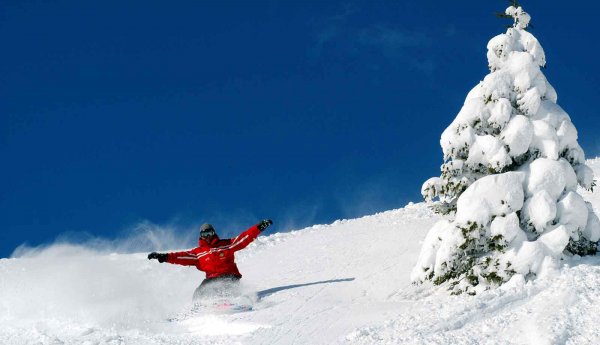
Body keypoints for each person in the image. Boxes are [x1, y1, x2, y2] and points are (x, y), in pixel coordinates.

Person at [148, 219, 272, 299]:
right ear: (201, 236)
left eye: (209, 234)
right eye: (204, 235)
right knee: (199, 292)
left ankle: (234, 300)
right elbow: (180, 257)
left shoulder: (226, 244)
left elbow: (244, 238)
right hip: (212, 279)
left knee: (225, 286)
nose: (207, 237)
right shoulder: (198, 253)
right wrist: (164, 256)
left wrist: (258, 227)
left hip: (229, 276)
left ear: (213, 233)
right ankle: (200, 310)